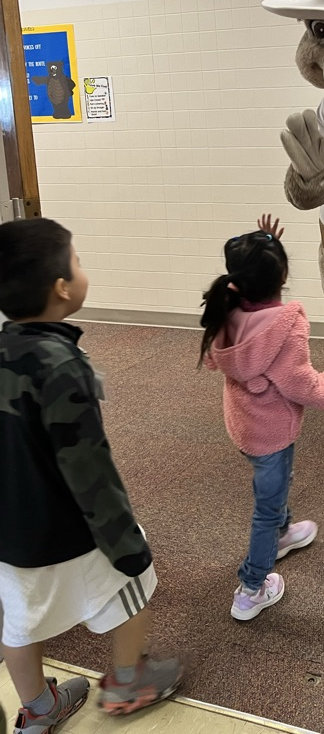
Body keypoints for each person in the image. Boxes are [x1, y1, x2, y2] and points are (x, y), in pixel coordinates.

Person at [0, 218, 183, 733]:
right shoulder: (60, 365)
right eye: (76, 262)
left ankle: (37, 710)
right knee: (134, 586)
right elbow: (86, 466)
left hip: (8, 536)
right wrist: (124, 540)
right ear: (62, 288)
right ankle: (128, 680)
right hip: (67, 530)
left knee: (19, 620)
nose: (81, 269)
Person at [200, 215, 324, 621]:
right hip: (271, 431)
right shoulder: (285, 326)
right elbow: (300, 383)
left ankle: (284, 532)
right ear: (282, 278)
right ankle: (251, 588)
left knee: (276, 482)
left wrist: (266, 243)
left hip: (245, 424)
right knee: (265, 506)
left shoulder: (228, 307)